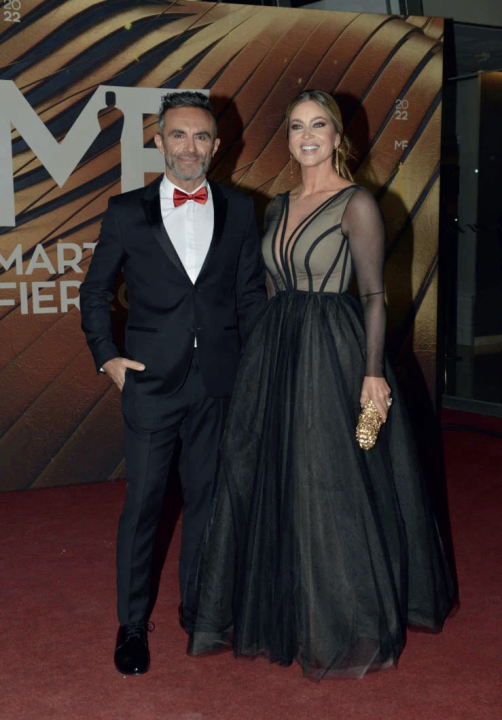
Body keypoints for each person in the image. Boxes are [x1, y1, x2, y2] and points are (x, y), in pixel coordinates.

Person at [184, 90, 455, 679]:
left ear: (337, 136)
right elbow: (268, 288)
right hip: (274, 352)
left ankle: (343, 622)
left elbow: (375, 296)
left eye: (318, 125)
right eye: (296, 127)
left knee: (329, 480)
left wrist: (373, 372)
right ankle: (284, 609)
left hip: (333, 350)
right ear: (287, 139)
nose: (307, 136)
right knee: (267, 474)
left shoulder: (357, 203)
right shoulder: (277, 206)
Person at [79, 91, 267, 675]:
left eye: (201, 136)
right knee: (144, 505)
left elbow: (250, 296)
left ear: (217, 145)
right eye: (179, 135)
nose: (190, 147)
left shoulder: (241, 209)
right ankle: (132, 624)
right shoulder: (125, 211)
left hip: (219, 383)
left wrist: (257, 367)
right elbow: (94, 292)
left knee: (209, 502)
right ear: (159, 142)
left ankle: (199, 611)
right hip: (150, 384)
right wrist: (108, 357)